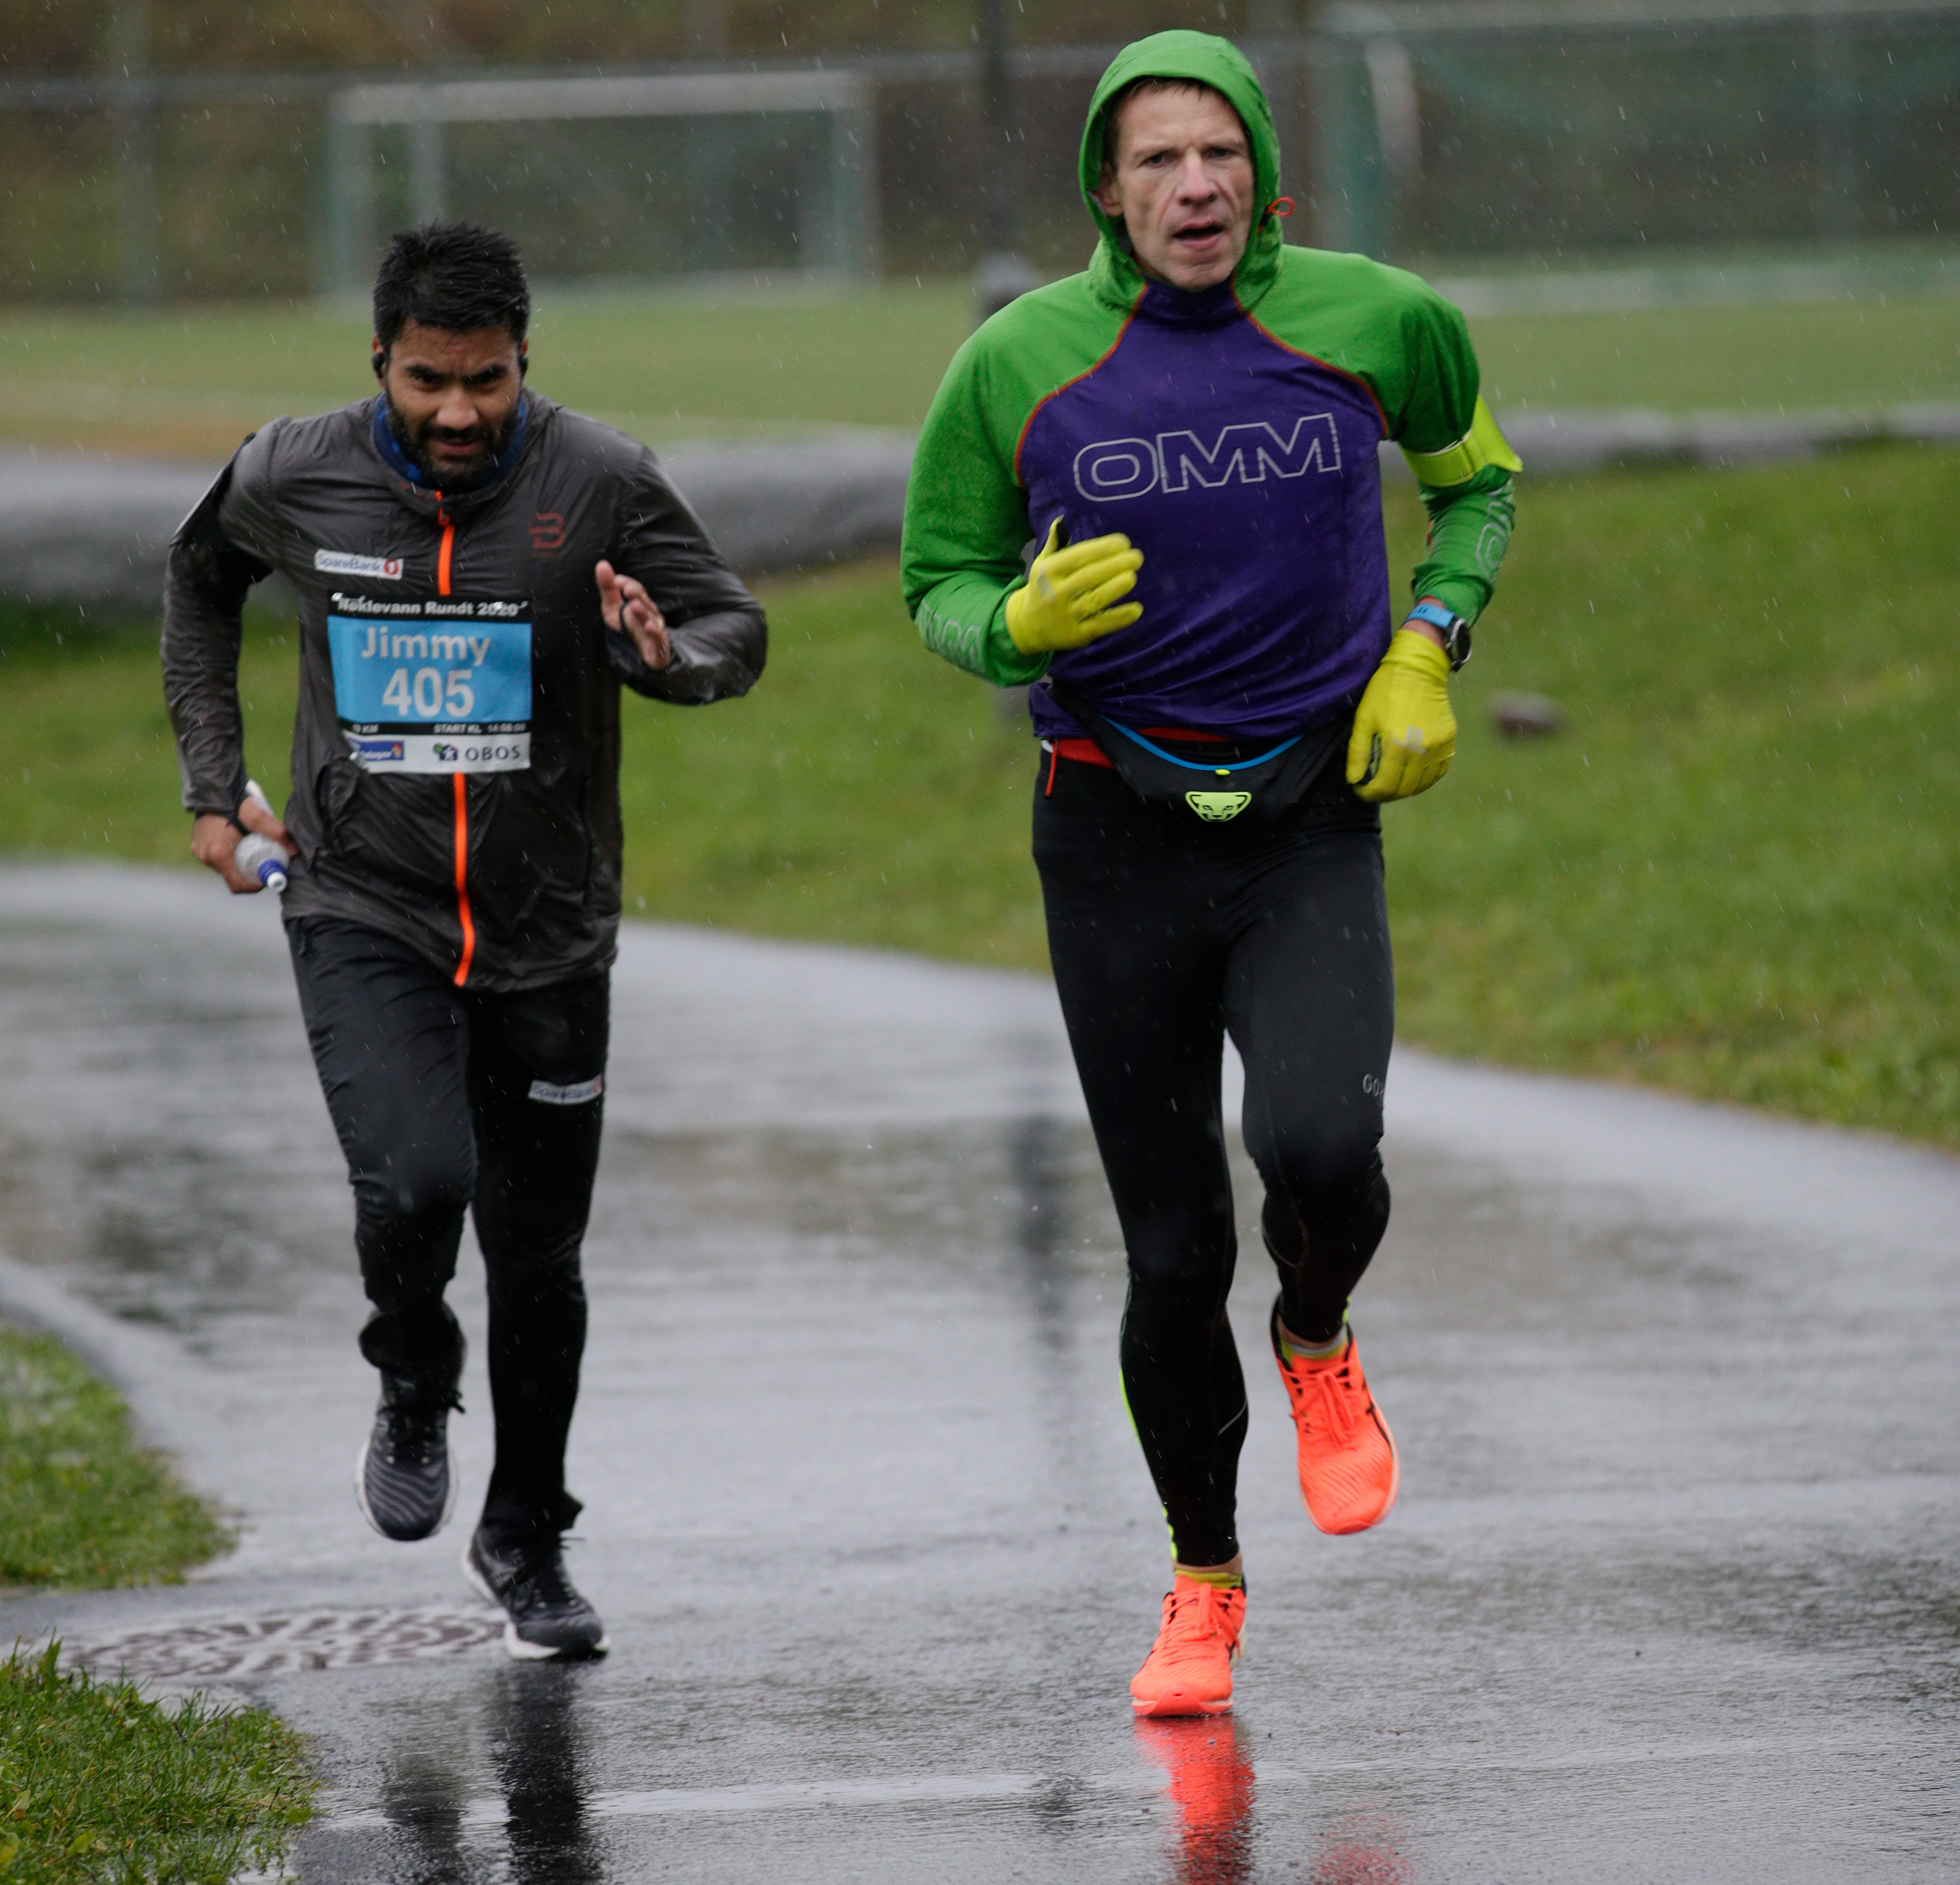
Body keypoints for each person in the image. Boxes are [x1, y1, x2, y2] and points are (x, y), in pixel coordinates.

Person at [901, 32, 1518, 1715]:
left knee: (1323, 1149)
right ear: (1106, 192)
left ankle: (1316, 1332)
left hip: (1313, 809)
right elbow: (936, 580)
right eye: (1158, 163)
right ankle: (1202, 1581)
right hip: (1110, 827)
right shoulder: (1017, 363)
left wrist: (1430, 645)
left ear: (1265, 171)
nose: (1195, 188)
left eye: (1220, 155)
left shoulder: (1380, 319)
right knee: (1172, 1250)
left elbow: (1479, 487)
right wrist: (1012, 622)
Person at [162, 221, 766, 1660]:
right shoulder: (291, 470)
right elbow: (198, 579)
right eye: (427, 380)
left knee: (540, 1260)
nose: (455, 411)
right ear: (380, 360)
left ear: (523, 363)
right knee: (420, 1178)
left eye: (486, 381)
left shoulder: (598, 478)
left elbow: (732, 629)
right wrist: (212, 784)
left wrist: (662, 657)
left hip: (549, 929)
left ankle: (527, 1540)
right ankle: (414, 1370)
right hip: (360, 903)